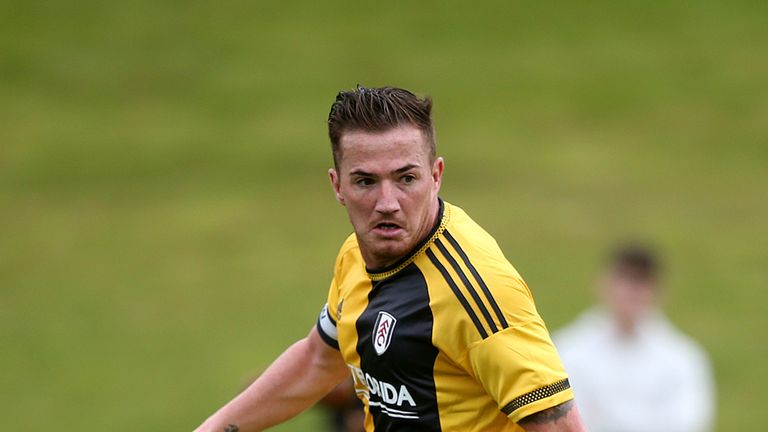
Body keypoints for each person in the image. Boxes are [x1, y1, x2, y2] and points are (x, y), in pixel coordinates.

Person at [194, 86, 586, 432]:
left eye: (406, 179)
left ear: (436, 175)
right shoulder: (356, 254)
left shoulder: (475, 288)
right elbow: (318, 361)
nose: (387, 204)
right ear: (337, 185)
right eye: (366, 181)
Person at [554, 245, 716, 432]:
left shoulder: (683, 358)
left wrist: (606, 416)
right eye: (624, 279)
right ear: (603, 283)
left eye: (641, 281)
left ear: (658, 289)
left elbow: (688, 424)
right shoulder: (568, 350)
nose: (632, 291)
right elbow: (560, 421)